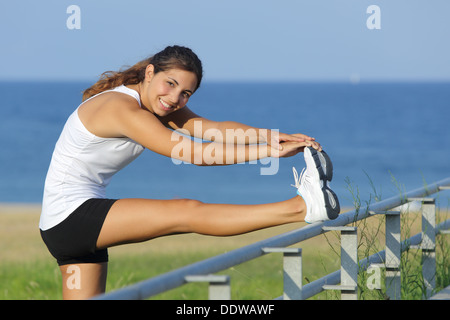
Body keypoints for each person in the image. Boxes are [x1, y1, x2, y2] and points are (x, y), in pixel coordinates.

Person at [39, 45, 340, 300]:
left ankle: (306, 205)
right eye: (169, 84)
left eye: (186, 93)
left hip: (68, 224)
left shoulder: (155, 106)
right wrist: (270, 152)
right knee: (185, 211)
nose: (174, 99)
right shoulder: (122, 109)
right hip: (71, 216)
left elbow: (212, 130)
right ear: (149, 73)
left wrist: (272, 137)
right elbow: (193, 153)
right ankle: (303, 207)